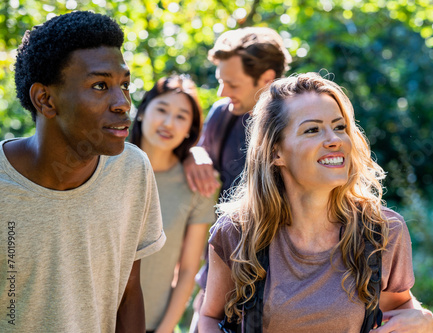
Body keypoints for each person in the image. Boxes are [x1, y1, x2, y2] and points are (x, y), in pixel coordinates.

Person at [199, 73, 433, 332]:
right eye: (312, 130)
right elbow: (210, 317)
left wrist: (421, 319)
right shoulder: (237, 231)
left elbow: (398, 309)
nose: (334, 139)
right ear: (276, 151)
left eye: (340, 127)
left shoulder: (382, 231)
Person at [0, 11, 165, 332]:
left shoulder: (133, 170)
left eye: (125, 85)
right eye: (100, 85)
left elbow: (128, 294)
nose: (123, 103)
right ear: (45, 99)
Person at [184, 27, 292, 332]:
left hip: (285, 286)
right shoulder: (223, 115)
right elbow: (194, 158)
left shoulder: (300, 123)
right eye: (221, 82)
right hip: (221, 278)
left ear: (267, 78)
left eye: (231, 84)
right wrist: (195, 154)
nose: (221, 93)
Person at [129, 75, 215, 332]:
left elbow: (189, 270)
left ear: (190, 128)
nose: (169, 123)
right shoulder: (103, 166)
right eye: (162, 110)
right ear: (142, 111)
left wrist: (165, 329)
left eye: (181, 116)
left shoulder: (198, 186)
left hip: (150, 324)